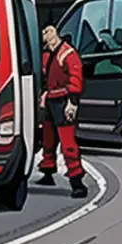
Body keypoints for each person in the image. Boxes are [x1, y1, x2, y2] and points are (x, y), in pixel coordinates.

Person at [38, 24, 87, 198]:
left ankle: (77, 181)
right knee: (48, 139)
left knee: (68, 143)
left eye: (48, 32)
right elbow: (45, 77)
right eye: (44, 33)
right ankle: (48, 171)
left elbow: (76, 79)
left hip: (63, 100)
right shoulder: (47, 54)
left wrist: (72, 103)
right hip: (51, 99)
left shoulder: (68, 54)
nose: (46, 35)